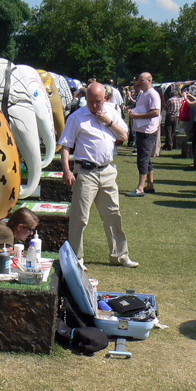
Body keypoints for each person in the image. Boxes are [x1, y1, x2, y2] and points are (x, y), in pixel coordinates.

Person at [59, 82, 138, 269]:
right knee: (80, 218)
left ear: (105, 99)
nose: (95, 105)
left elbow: (124, 136)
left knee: (113, 215)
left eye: (99, 101)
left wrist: (107, 121)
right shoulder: (77, 117)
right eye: (92, 101)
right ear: (86, 99)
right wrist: (67, 170)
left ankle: (120, 255)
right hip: (85, 172)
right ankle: (77, 259)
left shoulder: (111, 113)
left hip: (107, 171)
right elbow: (65, 145)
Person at [127, 72, 161, 196]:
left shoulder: (153, 94)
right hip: (142, 130)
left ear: (149, 81)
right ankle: (149, 185)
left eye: (141, 81)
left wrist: (137, 116)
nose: (139, 83)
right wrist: (134, 111)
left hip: (148, 131)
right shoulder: (143, 94)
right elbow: (144, 109)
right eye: (139, 81)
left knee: (142, 159)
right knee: (145, 159)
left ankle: (140, 188)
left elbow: (155, 112)